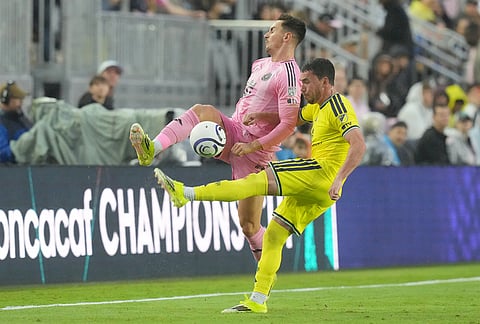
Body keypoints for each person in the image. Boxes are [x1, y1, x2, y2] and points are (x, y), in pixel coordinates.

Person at [153, 58, 366, 313]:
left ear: (325, 82)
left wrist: (340, 177)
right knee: (275, 235)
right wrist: (263, 115)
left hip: (321, 174)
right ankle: (258, 300)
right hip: (322, 193)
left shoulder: (338, 106)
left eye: (306, 82)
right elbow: (293, 117)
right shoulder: (316, 108)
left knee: (254, 182)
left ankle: (186, 193)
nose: (302, 89)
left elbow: (358, 144)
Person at [129, 14, 306, 262]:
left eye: (272, 30)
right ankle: (152, 148)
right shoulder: (260, 64)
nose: (267, 34)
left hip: (255, 153)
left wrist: (254, 143)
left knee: (249, 226)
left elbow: (289, 124)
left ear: (287, 36)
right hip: (234, 131)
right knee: (202, 111)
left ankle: (265, 279)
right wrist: (252, 118)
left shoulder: (289, 75)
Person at [0, 81, 32, 164]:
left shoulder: (22, 119)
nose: (21, 102)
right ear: (6, 100)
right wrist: (18, 148)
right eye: (18, 98)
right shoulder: (2, 124)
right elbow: (2, 153)